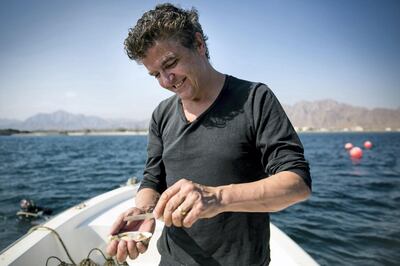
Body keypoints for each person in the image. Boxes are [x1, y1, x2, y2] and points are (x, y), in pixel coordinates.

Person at [107, 3, 312, 265]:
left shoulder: (255, 99)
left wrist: (217, 198)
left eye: (170, 64)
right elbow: (152, 179)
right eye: (155, 74)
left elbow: (297, 184)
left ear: (199, 44)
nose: (166, 81)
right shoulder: (161, 114)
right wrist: (143, 212)